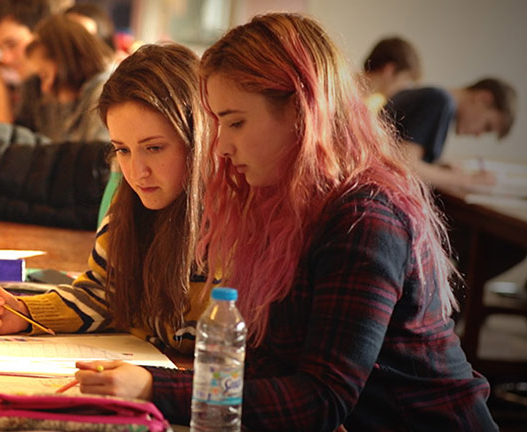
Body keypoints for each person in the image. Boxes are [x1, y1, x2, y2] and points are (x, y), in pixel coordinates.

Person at [70, 13, 498, 431]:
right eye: (217, 123)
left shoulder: (364, 217)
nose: (219, 146)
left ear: (301, 112)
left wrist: (152, 387)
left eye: (235, 122)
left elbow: (321, 400)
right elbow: (269, 366)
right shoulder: (276, 202)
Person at [0, 42, 211, 354]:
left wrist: (138, 321)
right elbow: (103, 291)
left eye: (154, 148)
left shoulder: (232, 219)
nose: (137, 172)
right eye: (122, 149)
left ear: (197, 137)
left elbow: (202, 334)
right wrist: (24, 313)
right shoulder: (130, 202)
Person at [386, 77, 517, 193]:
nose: (479, 134)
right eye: (487, 126)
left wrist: (438, 168)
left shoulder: (428, 95)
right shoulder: (440, 101)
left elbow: (400, 150)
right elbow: (404, 165)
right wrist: (468, 180)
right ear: (484, 98)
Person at [18, 14, 114, 142]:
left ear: (65, 63)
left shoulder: (106, 93)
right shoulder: (77, 95)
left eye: (44, 75)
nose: (45, 88)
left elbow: (95, 156)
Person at [361, 36, 421, 113]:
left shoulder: (373, 102)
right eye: (407, 80)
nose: (407, 89)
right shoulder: (350, 99)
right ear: (389, 70)